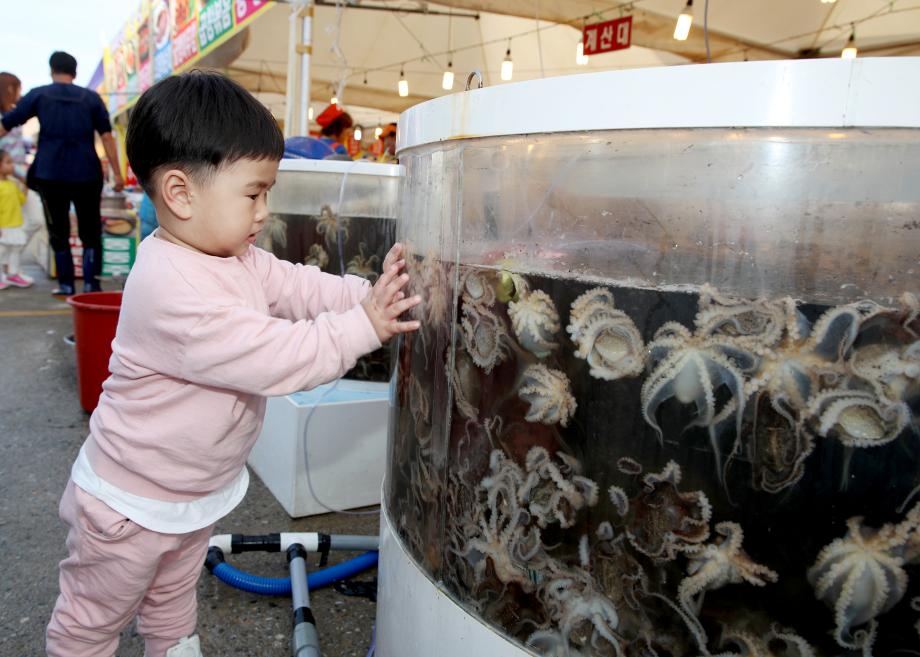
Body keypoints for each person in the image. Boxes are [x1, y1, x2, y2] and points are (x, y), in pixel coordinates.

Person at [44, 71, 421, 657]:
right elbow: (276, 357)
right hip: (130, 508)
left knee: (172, 605)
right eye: (254, 192)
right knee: (90, 623)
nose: (264, 211)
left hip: (193, 497)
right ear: (180, 192)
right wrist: (365, 325)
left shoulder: (233, 255)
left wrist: (366, 292)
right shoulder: (174, 289)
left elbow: (298, 286)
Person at [0, 52, 125, 295]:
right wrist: (117, 174)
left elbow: (6, 125)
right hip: (87, 174)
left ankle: (66, 284)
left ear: (52, 70)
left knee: (58, 231)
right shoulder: (91, 98)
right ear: (75, 72)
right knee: (91, 231)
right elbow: (107, 137)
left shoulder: (39, 94)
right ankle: (91, 284)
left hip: (50, 175)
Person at [0, 71, 43, 279]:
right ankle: (9, 268)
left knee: (34, 220)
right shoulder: (5, 119)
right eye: (18, 87)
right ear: (9, 89)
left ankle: (10, 264)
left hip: (18, 178)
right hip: (9, 179)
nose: (20, 92)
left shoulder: (14, 116)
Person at [0, 149, 31, 288]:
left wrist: (25, 186)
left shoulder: (12, 184)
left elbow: (21, 201)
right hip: (4, 226)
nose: (12, 166)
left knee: (15, 250)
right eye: (8, 162)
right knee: (2, 252)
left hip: (16, 225)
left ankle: (13, 274)